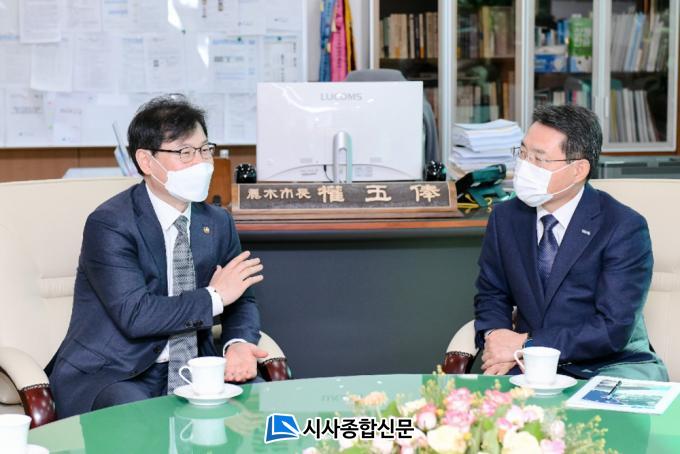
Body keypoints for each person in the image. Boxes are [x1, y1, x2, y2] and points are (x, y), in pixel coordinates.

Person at [49, 95, 267, 418]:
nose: (201, 163)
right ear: (146, 161)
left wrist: (237, 345)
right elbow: (136, 314)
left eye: (205, 150)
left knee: (258, 399)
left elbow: (241, 299)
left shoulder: (218, 221)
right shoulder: (110, 224)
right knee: (139, 416)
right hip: (117, 371)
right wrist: (215, 297)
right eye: (185, 153)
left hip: (195, 367)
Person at [474, 104, 668, 381]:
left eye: (539, 159)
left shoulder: (623, 227)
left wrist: (527, 344)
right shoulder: (506, 218)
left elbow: (613, 328)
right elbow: (492, 293)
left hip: (608, 366)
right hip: (525, 364)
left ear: (578, 170)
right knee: (485, 407)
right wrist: (497, 338)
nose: (524, 166)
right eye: (523, 153)